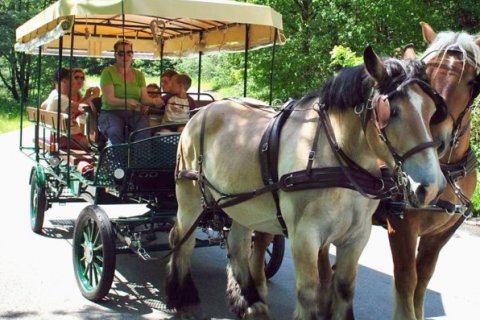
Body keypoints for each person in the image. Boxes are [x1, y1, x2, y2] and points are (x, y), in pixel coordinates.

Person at [99, 39, 164, 144]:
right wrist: (127, 102)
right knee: (115, 131)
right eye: (121, 53)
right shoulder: (107, 73)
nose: (126, 56)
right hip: (111, 112)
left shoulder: (139, 75)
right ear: (115, 55)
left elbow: (144, 99)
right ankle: (118, 160)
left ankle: (140, 160)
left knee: (144, 133)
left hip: (135, 114)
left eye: (129, 53)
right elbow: (110, 100)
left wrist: (154, 101)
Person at [41, 68, 90, 149]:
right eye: (74, 79)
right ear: (64, 81)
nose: (75, 82)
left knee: (91, 143)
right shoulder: (60, 98)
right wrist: (92, 96)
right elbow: (79, 107)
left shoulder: (56, 94)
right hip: (64, 137)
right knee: (95, 145)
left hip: (62, 135)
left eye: (82, 78)